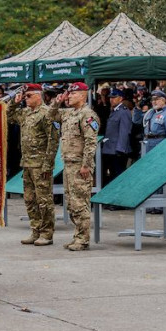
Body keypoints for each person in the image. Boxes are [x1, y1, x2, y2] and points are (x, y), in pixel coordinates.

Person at [49, 82, 100, 251]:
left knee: (80, 203)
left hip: (79, 165)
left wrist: (86, 165)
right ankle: (77, 236)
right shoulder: (70, 114)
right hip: (68, 164)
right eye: (68, 94)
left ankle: (83, 240)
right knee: (71, 203)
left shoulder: (87, 115)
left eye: (72, 94)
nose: (69, 96)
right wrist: (57, 102)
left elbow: (91, 142)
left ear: (83, 95)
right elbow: (50, 116)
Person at [7, 85, 59, 246]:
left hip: (40, 164)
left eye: (29, 96)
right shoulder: (26, 113)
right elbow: (8, 116)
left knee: (44, 200)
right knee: (30, 199)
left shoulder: (46, 113)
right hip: (27, 163)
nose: (26, 99)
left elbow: (53, 140)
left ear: (38, 96)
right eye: (25, 96)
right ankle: (35, 230)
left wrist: (48, 164)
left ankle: (46, 233)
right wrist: (14, 103)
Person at [101, 88, 132, 187]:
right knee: (111, 175)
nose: (111, 99)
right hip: (110, 149)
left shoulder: (123, 111)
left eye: (114, 98)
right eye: (110, 98)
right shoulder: (114, 110)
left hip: (117, 151)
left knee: (118, 176)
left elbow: (124, 132)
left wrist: (120, 149)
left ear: (121, 98)